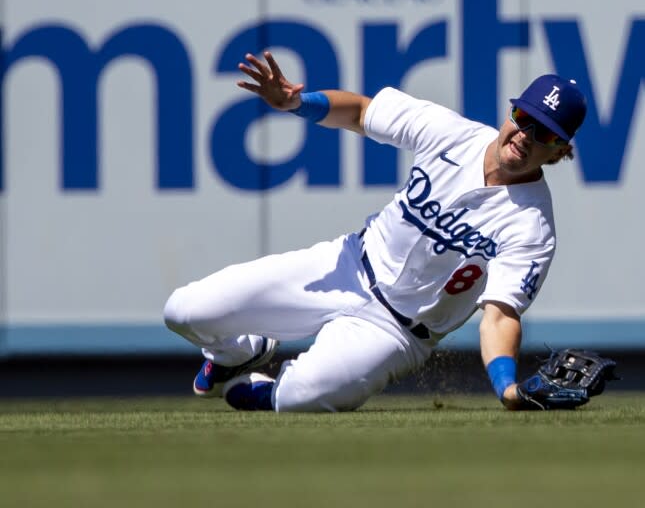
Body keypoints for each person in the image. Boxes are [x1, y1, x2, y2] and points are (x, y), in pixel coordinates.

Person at [164, 50, 588, 412]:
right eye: (523, 117)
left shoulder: (532, 225)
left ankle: (265, 392)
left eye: (544, 132)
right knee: (183, 311)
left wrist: (508, 388)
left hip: (397, 331)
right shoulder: (452, 134)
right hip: (348, 263)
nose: (524, 135)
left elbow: (499, 316)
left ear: (560, 150)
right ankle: (239, 353)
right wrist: (297, 103)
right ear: (509, 112)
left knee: (299, 398)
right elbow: (362, 112)